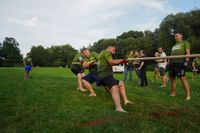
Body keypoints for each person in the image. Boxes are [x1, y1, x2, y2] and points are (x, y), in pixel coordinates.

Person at [97, 46, 132, 112]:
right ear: (109, 49)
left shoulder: (102, 54)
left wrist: (120, 61)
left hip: (102, 75)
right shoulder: (106, 52)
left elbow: (111, 63)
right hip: (105, 74)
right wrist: (122, 60)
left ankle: (126, 100)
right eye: (113, 50)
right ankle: (118, 108)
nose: (114, 52)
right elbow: (111, 62)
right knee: (114, 87)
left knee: (121, 83)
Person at [168, 32, 191, 101]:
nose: (175, 37)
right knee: (172, 78)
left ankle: (188, 95)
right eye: (175, 36)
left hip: (180, 63)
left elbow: (187, 52)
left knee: (182, 78)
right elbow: (171, 55)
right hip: (172, 63)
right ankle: (173, 93)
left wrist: (186, 61)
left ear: (181, 36)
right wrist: (168, 62)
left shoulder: (185, 42)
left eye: (177, 36)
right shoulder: (174, 45)